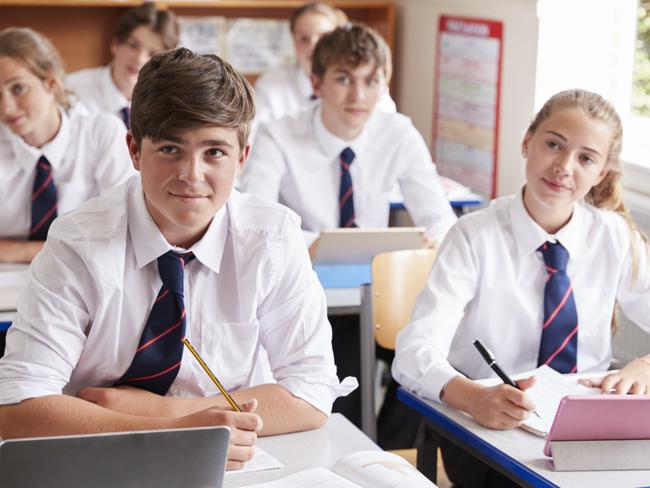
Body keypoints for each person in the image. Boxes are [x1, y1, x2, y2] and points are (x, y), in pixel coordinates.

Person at [0, 48, 354, 470]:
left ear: (242, 159)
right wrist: (175, 434)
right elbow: (17, 406)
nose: (192, 174)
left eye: (215, 153)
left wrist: (168, 414)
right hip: (99, 463)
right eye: (170, 149)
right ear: (134, 150)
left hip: (233, 467)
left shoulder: (273, 238)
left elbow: (312, 391)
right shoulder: (78, 243)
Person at [393, 89, 650, 487]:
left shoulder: (615, 237)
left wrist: (646, 365)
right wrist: (472, 398)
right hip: (487, 430)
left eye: (586, 158)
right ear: (527, 142)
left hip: (586, 432)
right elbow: (413, 354)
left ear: (601, 173)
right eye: (553, 145)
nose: (564, 166)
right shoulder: (473, 237)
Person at [240, 22, 456, 442]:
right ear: (317, 82)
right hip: (308, 277)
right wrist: (309, 243)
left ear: (384, 86)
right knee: (341, 357)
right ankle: (345, 446)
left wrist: (427, 245)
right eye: (343, 79)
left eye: (370, 81)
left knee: (432, 353)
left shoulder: (398, 132)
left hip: (373, 278)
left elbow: (440, 218)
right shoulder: (279, 134)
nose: (358, 96)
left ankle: (388, 448)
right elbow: (254, 217)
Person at [0, 27, 133, 264]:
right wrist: (68, 247)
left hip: (86, 285)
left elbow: (125, 231)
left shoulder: (101, 133)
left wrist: (17, 250)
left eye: (18, 88)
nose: (6, 107)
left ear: (51, 83)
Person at [253, 2, 395, 135]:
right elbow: (254, 140)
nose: (313, 46)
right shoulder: (269, 87)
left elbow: (387, 133)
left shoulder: (368, 86)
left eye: (323, 37)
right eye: (304, 38)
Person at [66, 2, 179, 128]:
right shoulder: (72, 91)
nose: (139, 59)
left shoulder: (170, 103)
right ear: (115, 44)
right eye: (133, 45)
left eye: (153, 53)